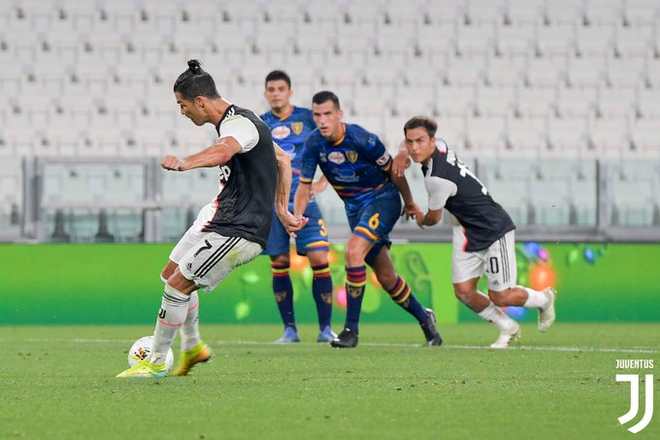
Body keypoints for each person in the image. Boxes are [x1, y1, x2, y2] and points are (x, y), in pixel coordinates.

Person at [117, 60, 306, 378]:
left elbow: (222, 152)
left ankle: (155, 362)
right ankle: (192, 347)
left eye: (182, 105)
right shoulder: (243, 123)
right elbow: (283, 160)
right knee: (171, 275)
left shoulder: (239, 126)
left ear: (200, 102)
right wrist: (283, 210)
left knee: (178, 287)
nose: (183, 112)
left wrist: (185, 163)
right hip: (219, 216)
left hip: (239, 229)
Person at [294, 91, 442, 348]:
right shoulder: (313, 144)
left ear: (339, 114)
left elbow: (394, 172)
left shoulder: (362, 138)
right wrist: (296, 217)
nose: (322, 120)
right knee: (387, 278)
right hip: (354, 210)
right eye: (317, 115)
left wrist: (408, 202)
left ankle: (351, 330)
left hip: (382, 200)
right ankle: (425, 319)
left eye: (328, 114)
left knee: (353, 252)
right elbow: (304, 186)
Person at [398, 116, 556, 348]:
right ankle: (508, 327)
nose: (414, 148)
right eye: (409, 142)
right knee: (463, 291)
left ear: (431, 140)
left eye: (419, 141)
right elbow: (414, 144)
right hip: (466, 229)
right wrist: (402, 154)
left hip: (493, 229)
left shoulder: (436, 178)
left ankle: (544, 299)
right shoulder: (440, 146)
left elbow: (433, 218)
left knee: (500, 296)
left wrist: (417, 215)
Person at [260, 70, 335, 344]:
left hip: (306, 201)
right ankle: (290, 330)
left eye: (281, 88)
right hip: (274, 203)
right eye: (271, 89)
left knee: (319, 259)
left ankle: (325, 329)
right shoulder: (260, 123)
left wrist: (324, 181)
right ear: (266, 93)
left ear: (290, 91)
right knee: (279, 262)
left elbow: (333, 144)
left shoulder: (307, 118)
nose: (276, 93)